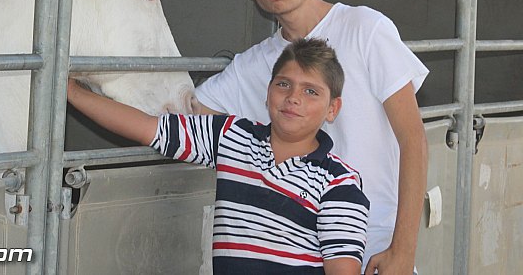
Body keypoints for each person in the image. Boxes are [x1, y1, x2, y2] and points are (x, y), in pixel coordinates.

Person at [194, 0, 429, 275]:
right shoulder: (253, 65)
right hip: (292, 257)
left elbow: (413, 139)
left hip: (373, 249)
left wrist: (403, 250)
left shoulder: (364, 29)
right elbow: (194, 111)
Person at [68, 38, 370, 275]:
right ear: (267, 92)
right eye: (283, 84)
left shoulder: (339, 184)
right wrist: (70, 90)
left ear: (333, 109)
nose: (293, 97)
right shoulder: (232, 136)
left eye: (311, 92)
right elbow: (147, 128)